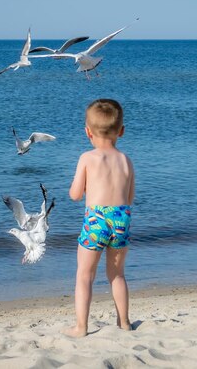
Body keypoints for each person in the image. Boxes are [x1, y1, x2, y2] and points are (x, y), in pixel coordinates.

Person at [64, 98, 135, 338]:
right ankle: (124, 322)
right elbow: (130, 196)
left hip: (96, 218)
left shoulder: (87, 158)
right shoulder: (126, 160)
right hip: (121, 218)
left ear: (87, 132)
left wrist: (78, 188)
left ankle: (81, 327)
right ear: (121, 131)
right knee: (117, 274)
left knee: (85, 274)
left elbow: (75, 195)